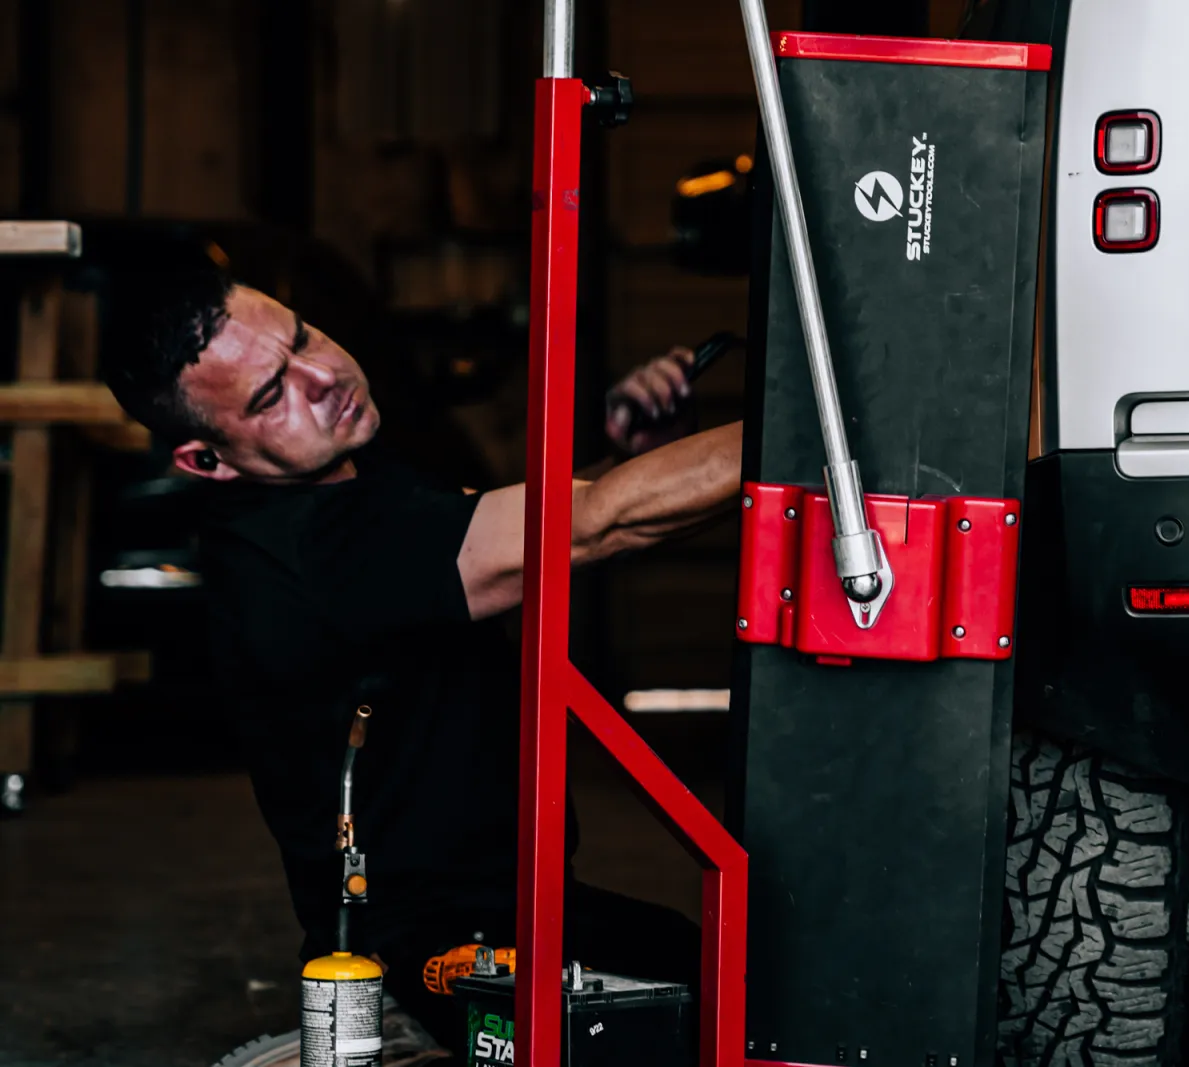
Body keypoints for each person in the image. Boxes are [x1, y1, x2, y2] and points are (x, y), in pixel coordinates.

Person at [100, 261, 742, 1051]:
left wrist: (640, 461)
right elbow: (595, 525)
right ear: (208, 459)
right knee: (757, 1010)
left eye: (303, 337)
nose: (323, 376)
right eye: (273, 394)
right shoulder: (319, 549)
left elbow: (538, 534)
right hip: (442, 954)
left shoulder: (337, 480)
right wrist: (817, 424)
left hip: (513, 909)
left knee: (737, 971)